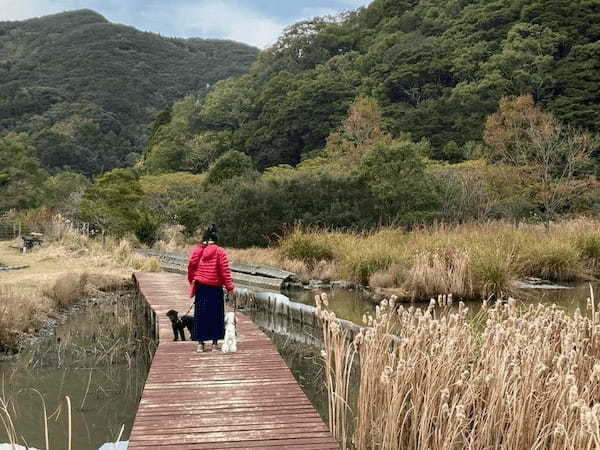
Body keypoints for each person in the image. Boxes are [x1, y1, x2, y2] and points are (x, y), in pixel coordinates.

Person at [187, 224, 235, 352]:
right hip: (215, 287)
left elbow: (191, 266)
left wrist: (193, 280)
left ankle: (200, 345)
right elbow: (225, 272)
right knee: (215, 314)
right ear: (216, 239)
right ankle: (214, 344)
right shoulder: (220, 252)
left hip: (201, 286)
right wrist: (230, 287)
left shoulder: (198, 250)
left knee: (200, 314)